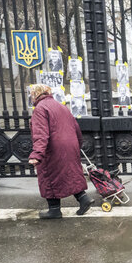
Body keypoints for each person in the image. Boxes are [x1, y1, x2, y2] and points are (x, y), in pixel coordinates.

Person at [28, 84, 94, 219]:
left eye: (32, 94)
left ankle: (54, 210)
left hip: (53, 147)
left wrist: (37, 154)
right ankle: (83, 199)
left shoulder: (40, 108)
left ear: (36, 94)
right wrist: (77, 145)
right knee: (71, 173)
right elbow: (76, 128)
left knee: (48, 175)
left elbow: (41, 134)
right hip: (70, 145)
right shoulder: (62, 106)